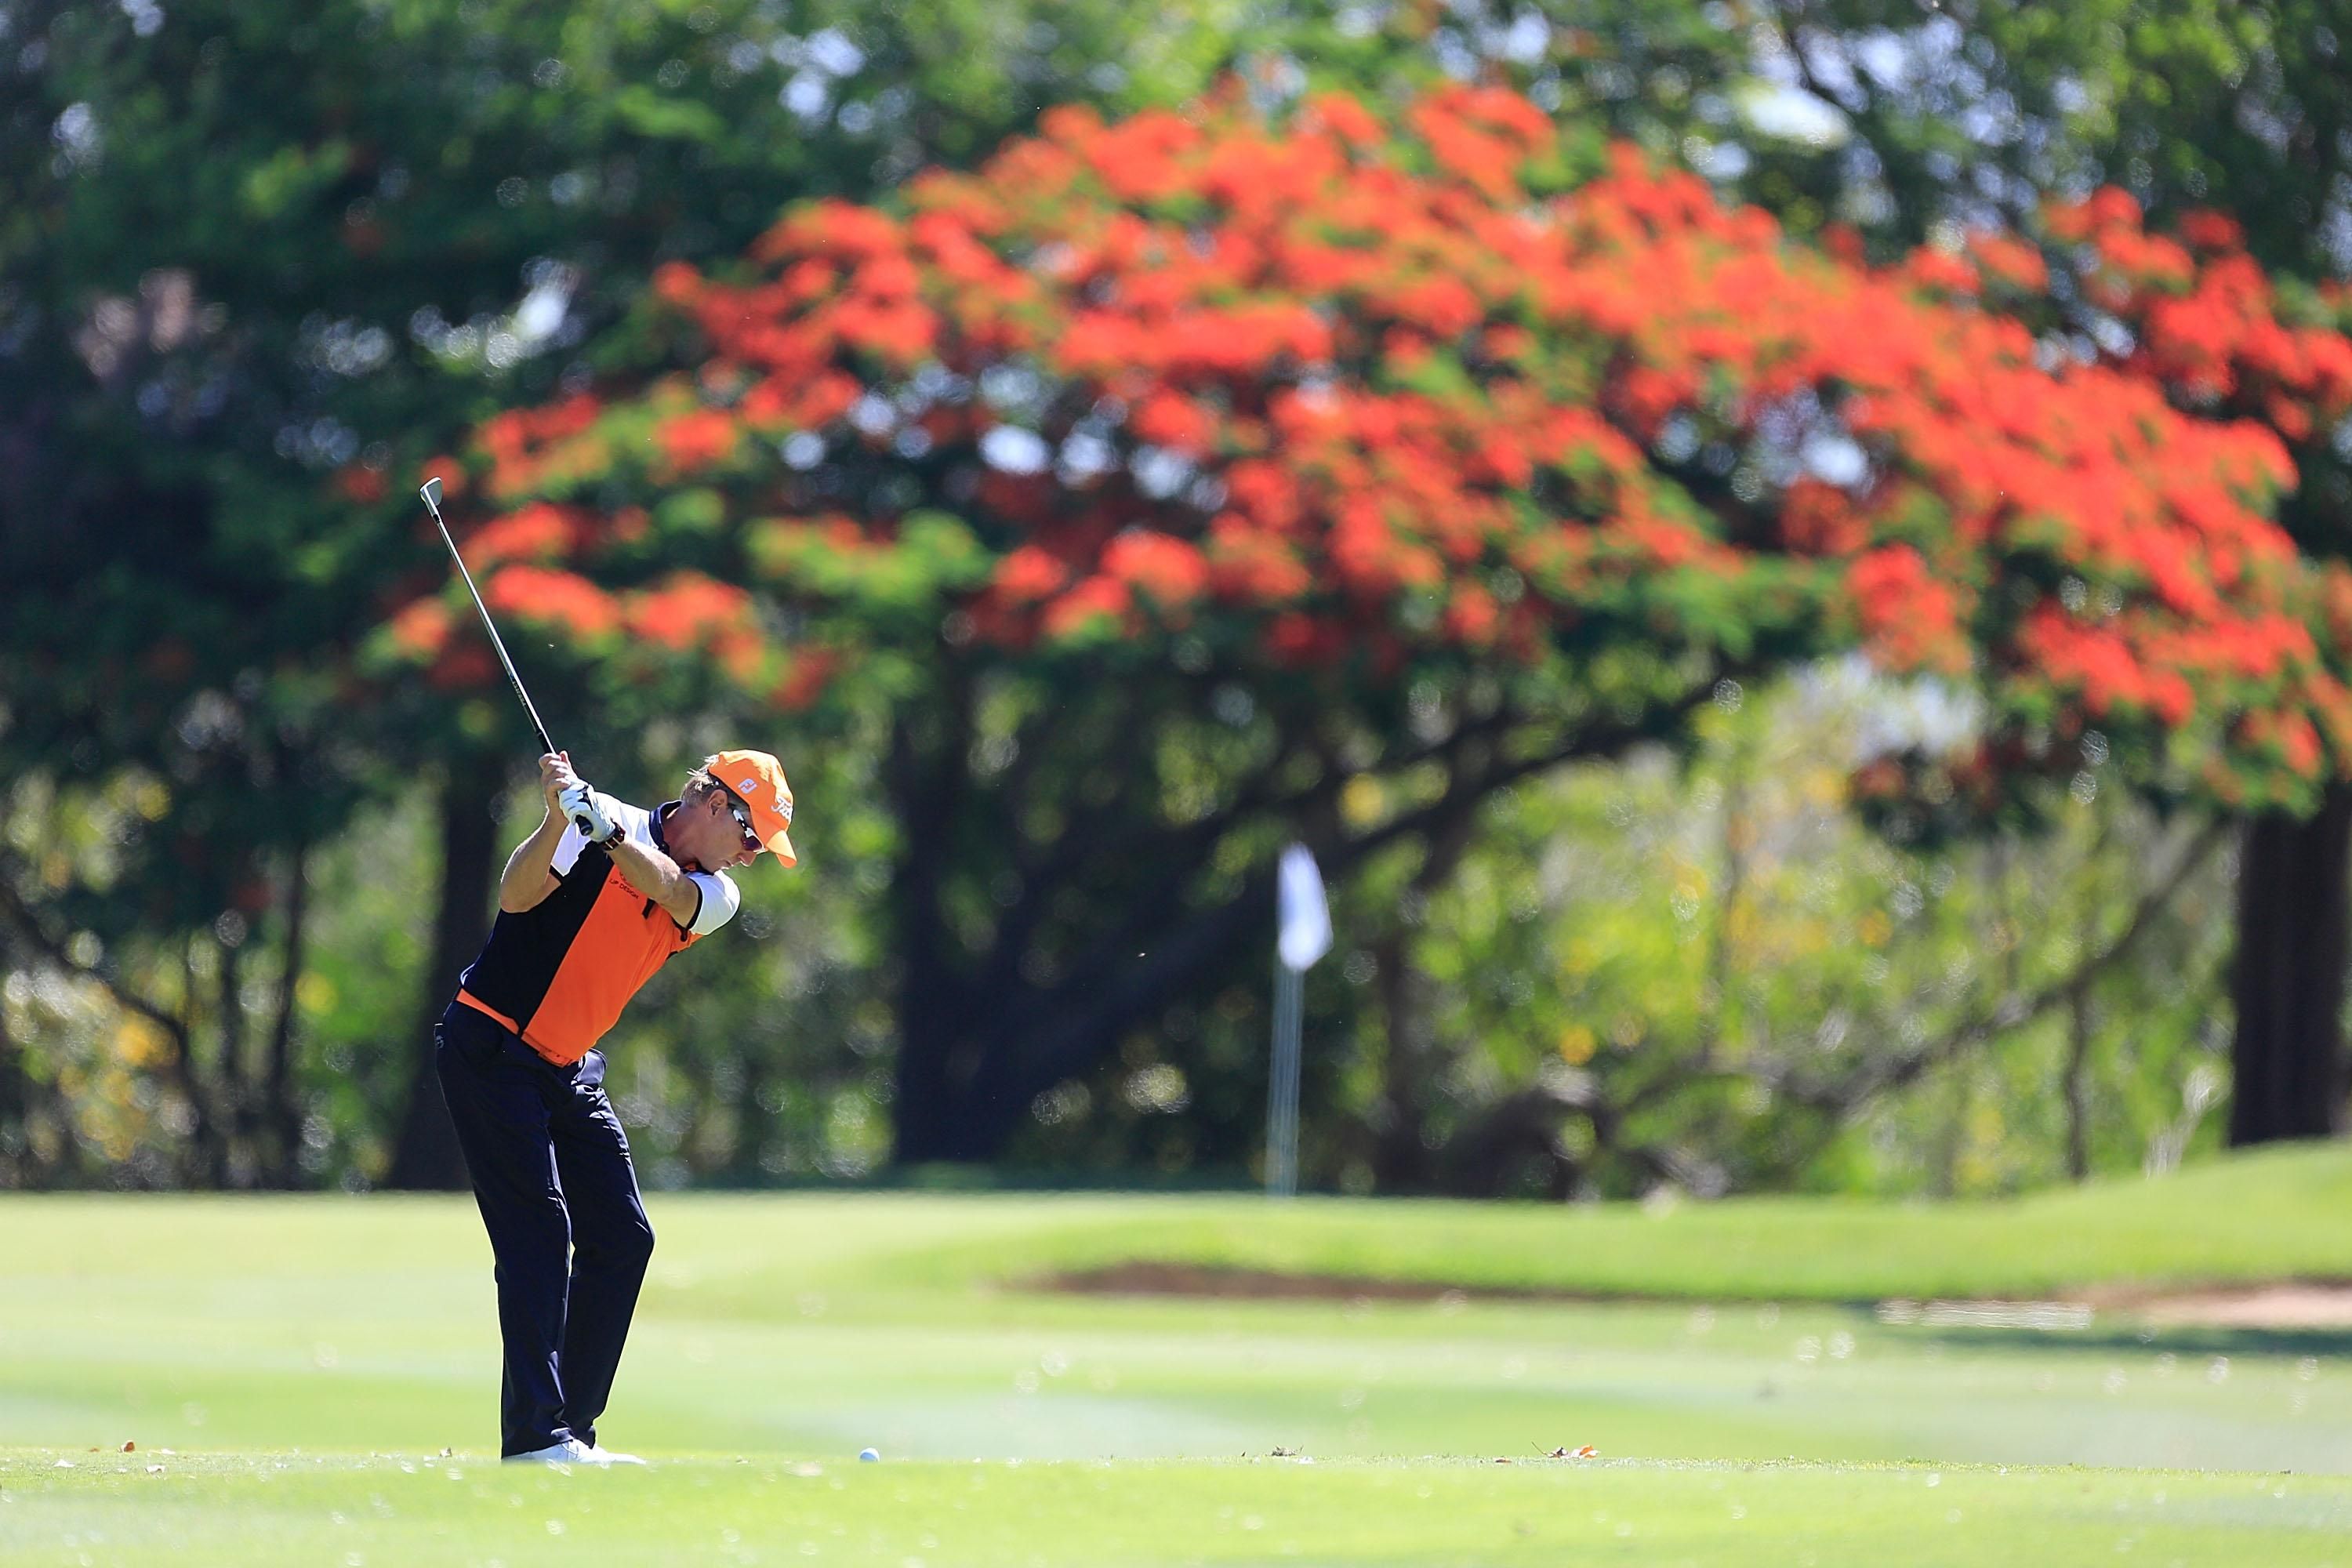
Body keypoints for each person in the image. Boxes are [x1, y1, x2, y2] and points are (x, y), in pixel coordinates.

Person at [434, 747, 797, 1465]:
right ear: (719, 805)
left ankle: (571, 1429)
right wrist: (553, 822)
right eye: (753, 838)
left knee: (623, 1237)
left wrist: (607, 834)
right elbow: (514, 896)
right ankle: (535, 1439)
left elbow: (668, 889)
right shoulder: (591, 820)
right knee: (537, 1235)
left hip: (567, 1068)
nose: (753, 857)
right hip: (492, 1050)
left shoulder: (715, 892)